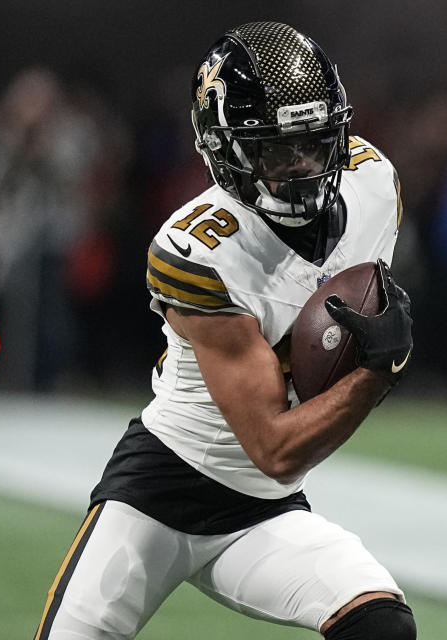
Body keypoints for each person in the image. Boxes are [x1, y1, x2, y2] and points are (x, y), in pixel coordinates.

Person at [33, 22, 414, 640]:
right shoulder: (200, 250)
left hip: (265, 512)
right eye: (273, 150)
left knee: (383, 628)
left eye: (314, 143)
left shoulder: (374, 184)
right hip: (162, 491)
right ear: (224, 152)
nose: (301, 167)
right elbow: (275, 449)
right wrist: (374, 373)